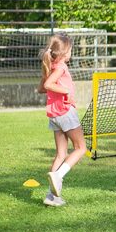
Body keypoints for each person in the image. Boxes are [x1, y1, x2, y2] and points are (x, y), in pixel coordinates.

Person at [38, 34, 87, 207]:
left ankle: (52, 197)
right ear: (65, 52)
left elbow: (41, 88)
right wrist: (66, 91)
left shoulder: (50, 65)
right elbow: (47, 86)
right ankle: (58, 176)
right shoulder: (60, 67)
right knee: (81, 148)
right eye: (71, 49)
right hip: (65, 112)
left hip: (54, 115)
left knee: (61, 154)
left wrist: (55, 88)